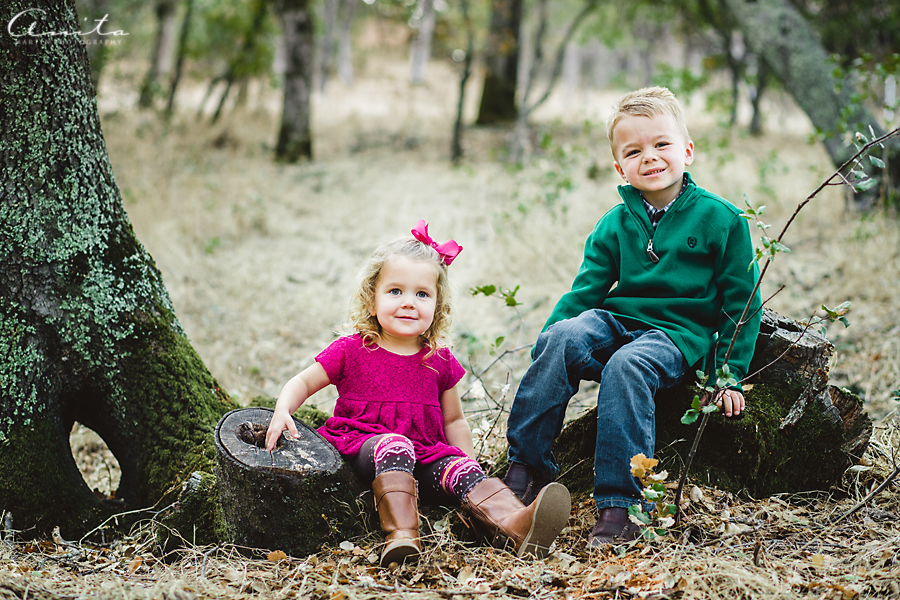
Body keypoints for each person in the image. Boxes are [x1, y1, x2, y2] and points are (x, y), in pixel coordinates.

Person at [502, 87, 762, 548]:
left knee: (627, 365)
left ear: (687, 150)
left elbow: (743, 302)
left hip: (677, 335)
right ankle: (527, 467)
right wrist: (548, 340)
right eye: (634, 151)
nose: (650, 157)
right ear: (619, 167)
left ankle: (621, 506)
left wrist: (727, 375)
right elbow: (586, 292)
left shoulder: (722, 220)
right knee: (562, 338)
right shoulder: (615, 223)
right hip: (618, 322)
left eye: (662, 144)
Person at [265, 220, 571, 567]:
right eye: (395, 291)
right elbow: (303, 382)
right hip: (364, 447)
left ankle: (515, 524)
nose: (409, 303)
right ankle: (401, 535)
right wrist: (283, 409)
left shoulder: (439, 360)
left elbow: (454, 421)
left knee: (460, 468)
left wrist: (468, 464)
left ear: (437, 307)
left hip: (424, 457)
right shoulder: (352, 349)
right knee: (395, 445)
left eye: (422, 294)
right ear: (371, 300)